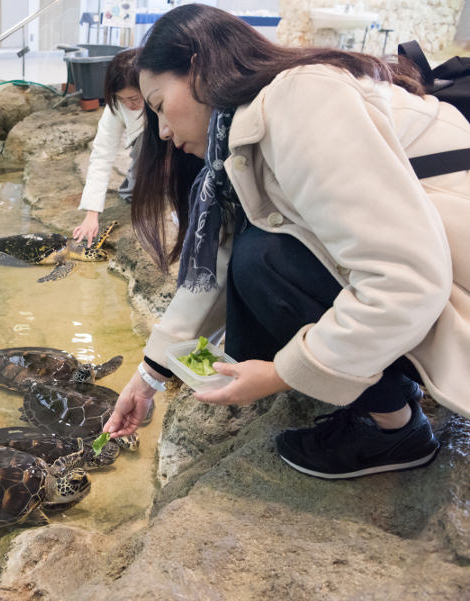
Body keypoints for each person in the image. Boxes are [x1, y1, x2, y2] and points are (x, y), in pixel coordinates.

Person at [103, 4, 470, 479]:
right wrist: (148, 378)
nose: (164, 131)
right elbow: (214, 268)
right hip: (436, 276)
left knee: (263, 259)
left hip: (451, 288)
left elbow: (406, 277)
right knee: (253, 255)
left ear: (198, 67)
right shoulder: (243, 134)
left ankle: (395, 428)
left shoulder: (300, 100)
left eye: (157, 105)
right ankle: (389, 385)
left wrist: (281, 374)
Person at [72, 48, 145, 247]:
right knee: (135, 195)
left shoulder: (165, 93)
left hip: (175, 154)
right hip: (144, 158)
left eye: (134, 98)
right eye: (121, 99)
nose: (128, 105)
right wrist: (92, 213)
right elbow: (102, 155)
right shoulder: (117, 106)